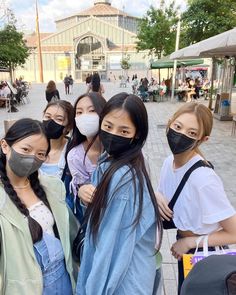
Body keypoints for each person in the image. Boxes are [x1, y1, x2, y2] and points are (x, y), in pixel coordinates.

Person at [76, 92, 163, 294]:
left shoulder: (122, 177)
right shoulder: (112, 161)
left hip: (121, 284)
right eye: (108, 126)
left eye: (124, 131)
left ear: (137, 134)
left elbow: (111, 250)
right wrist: (84, 194)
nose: (113, 134)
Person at [156, 102, 236, 294]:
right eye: (177, 127)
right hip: (188, 254)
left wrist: (190, 243)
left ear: (203, 139)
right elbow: (164, 194)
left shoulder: (203, 179)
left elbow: (234, 232)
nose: (181, 134)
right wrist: (156, 195)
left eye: (192, 133)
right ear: (169, 124)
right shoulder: (169, 163)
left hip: (206, 258)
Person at [0, 118, 78, 294]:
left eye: (40, 154)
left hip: (62, 280)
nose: (32, 158)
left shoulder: (52, 187)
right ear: (5, 146)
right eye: (26, 149)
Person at [66, 92, 106, 222]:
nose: (85, 116)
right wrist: (82, 191)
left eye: (92, 110)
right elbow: (89, 201)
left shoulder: (118, 148)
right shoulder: (75, 156)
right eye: (79, 112)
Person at [40, 100, 74, 179]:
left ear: (69, 126)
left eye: (59, 119)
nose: (51, 122)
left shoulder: (72, 152)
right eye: (47, 117)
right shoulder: (32, 144)